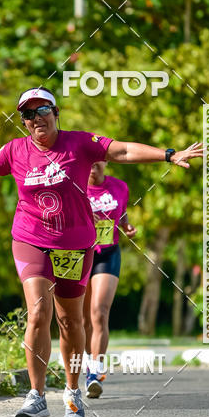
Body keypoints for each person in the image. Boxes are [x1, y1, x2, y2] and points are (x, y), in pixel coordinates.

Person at [0, 87, 202, 417]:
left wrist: (169, 155)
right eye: (28, 114)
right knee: (38, 311)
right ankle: (37, 395)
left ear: (57, 113)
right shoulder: (15, 151)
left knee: (70, 320)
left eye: (43, 110)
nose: (36, 118)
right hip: (31, 238)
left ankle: (72, 392)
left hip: (74, 243)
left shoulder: (80, 143)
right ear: (23, 122)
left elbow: (124, 150)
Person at [83, 165, 136, 398]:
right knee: (82, 319)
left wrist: (126, 225)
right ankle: (86, 364)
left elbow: (121, 211)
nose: (93, 167)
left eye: (98, 162)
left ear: (105, 162)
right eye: (89, 162)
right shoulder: (76, 186)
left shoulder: (120, 186)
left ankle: (95, 373)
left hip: (108, 254)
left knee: (99, 313)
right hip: (80, 254)